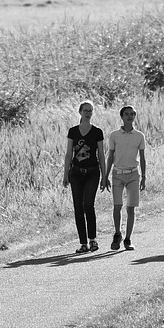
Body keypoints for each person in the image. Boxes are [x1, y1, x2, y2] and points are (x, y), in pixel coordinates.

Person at [101, 105, 147, 251]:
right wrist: (105, 176)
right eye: (127, 114)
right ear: (122, 116)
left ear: (135, 116)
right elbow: (110, 157)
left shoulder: (139, 136)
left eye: (132, 114)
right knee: (117, 206)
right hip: (117, 174)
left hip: (133, 173)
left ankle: (128, 238)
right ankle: (117, 233)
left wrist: (144, 176)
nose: (130, 116)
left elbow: (143, 158)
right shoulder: (114, 135)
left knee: (131, 208)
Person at [63, 100, 106, 253]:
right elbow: (69, 154)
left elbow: (101, 154)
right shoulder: (73, 131)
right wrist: (65, 174)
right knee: (78, 208)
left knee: (88, 205)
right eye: (85, 110)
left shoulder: (97, 132)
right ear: (80, 112)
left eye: (90, 110)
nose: (88, 113)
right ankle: (83, 243)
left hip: (93, 172)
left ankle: (93, 239)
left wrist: (104, 175)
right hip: (75, 173)